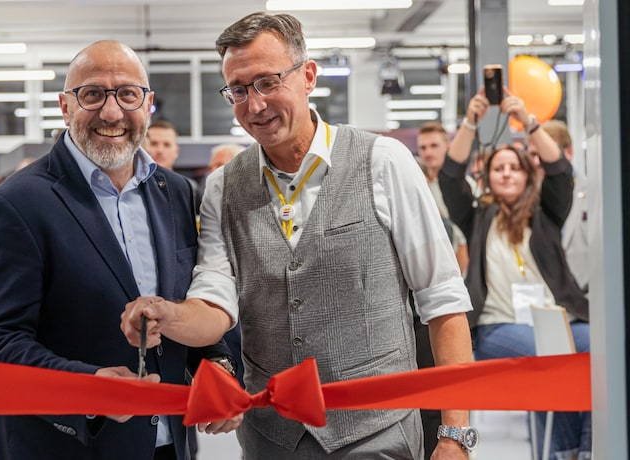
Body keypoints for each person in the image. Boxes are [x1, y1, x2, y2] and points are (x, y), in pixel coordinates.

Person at [122, 12, 475, 459]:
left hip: (377, 433)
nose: (254, 105)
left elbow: (443, 302)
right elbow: (215, 302)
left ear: (307, 76)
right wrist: (168, 316)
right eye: (239, 89)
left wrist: (455, 435)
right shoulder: (222, 188)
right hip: (272, 439)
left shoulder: (383, 162)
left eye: (268, 82)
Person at [0, 40, 238, 460]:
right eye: (92, 94)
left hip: (169, 444)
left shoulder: (176, 192)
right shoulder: (13, 205)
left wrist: (217, 364)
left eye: (127, 94)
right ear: (65, 106)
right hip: (62, 446)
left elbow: (193, 296)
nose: (111, 113)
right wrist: (90, 383)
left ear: (147, 105)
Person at [440, 88, 590, 459]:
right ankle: (561, 450)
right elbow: (449, 176)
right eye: (498, 168)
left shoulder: (547, 214)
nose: (506, 173)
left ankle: (583, 450)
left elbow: (560, 170)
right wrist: (471, 123)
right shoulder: (477, 217)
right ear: (488, 177)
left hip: (561, 319)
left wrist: (528, 120)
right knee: (552, 359)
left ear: (527, 174)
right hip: (498, 325)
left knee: (599, 354)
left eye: (514, 167)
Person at [529, 120, 588, 296]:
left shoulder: (596, 194)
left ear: (568, 151)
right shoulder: (524, 201)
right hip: (542, 299)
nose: (538, 161)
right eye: (533, 154)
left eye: (546, 151)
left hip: (587, 302)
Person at [417, 122, 469, 272]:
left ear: (447, 146)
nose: (428, 153)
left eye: (434, 146)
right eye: (423, 147)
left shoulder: (466, 187)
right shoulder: (416, 190)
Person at [143, 120, 203, 213]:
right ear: (144, 148)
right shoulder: (131, 187)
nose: (160, 150)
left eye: (167, 145)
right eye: (154, 144)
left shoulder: (190, 189)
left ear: (176, 151)